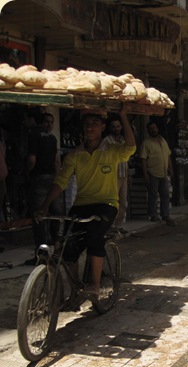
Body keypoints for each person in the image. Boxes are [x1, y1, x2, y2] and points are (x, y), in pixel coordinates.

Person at [37, 105, 136, 299]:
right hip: (81, 205)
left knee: (94, 238)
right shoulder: (75, 155)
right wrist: (45, 205)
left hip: (107, 204)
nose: (90, 128)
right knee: (68, 247)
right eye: (87, 124)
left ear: (103, 127)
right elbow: (61, 181)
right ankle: (75, 290)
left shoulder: (112, 151)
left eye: (95, 124)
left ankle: (95, 285)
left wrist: (123, 116)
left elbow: (131, 147)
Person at [25, 112, 61, 265]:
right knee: (54, 214)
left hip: (39, 178)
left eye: (51, 122)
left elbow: (32, 159)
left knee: (39, 216)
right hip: (51, 178)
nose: (49, 125)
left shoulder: (33, 134)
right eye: (47, 121)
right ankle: (57, 249)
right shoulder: (52, 138)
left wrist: (27, 173)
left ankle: (41, 254)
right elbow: (56, 161)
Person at [139, 121, 175, 226]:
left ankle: (165, 215)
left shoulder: (163, 140)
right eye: (150, 129)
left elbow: (168, 156)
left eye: (154, 128)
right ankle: (153, 215)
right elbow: (143, 160)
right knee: (153, 195)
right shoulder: (146, 143)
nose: (153, 130)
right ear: (148, 131)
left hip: (163, 173)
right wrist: (145, 174)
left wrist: (171, 168)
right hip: (152, 173)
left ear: (157, 129)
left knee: (165, 195)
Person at [104, 117, 130, 235]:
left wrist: (129, 175)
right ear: (110, 128)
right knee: (112, 202)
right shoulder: (107, 141)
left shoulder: (123, 140)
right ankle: (110, 226)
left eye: (118, 126)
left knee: (123, 202)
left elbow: (126, 159)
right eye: (114, 127)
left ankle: (118, 226)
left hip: (123, 175)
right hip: (112, 176)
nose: (116, 129)